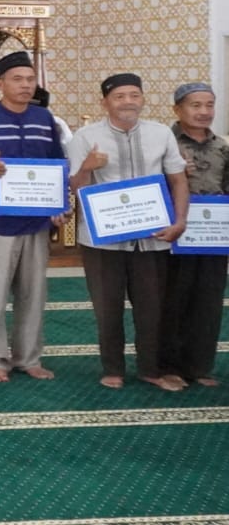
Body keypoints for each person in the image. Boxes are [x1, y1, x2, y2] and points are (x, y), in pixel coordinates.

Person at [67, 73, 190, 391]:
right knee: (107, 309)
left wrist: (179, 221)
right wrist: (87, 167)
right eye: (120, 96)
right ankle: (113, 369)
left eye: (134, 95)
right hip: (102, 241)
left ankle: (150, 369)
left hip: (152, 238)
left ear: (143, 99)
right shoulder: (85, 136)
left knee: (152, 309)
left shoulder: (160, 133)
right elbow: (74, 187)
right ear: (105, 102)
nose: (128, 102)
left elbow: (178, 180)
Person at [0, 51, 65, 383]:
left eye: (30, 79)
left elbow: (57, 166)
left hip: (36, 224)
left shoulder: (45, 119)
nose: (25, 85)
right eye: (17, 79)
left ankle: (28, 358)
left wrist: (59, 206)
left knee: (33, 296)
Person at [161, 82, 228, 386]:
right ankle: (169, 365)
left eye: (209, 105)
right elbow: (148, 188)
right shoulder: (165, 143)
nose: (204, 112)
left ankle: (200, 366)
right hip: (176, 236)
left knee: (209, 302)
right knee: (173, 300)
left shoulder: (222, 147)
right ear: (177, 109)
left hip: (214, 237)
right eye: (195, 105)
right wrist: (172, 175)